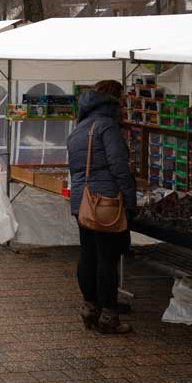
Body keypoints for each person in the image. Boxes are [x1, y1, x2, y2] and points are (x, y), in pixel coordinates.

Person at [67, 79, 135, 335]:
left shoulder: (80, 128)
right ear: (114, 100)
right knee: (107, 259)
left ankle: (90, 309)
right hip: (105, 200)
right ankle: (109, 317)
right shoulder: (107, 126)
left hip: (82, 201)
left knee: (88, 255)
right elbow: (119, 166)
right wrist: (130, 198)